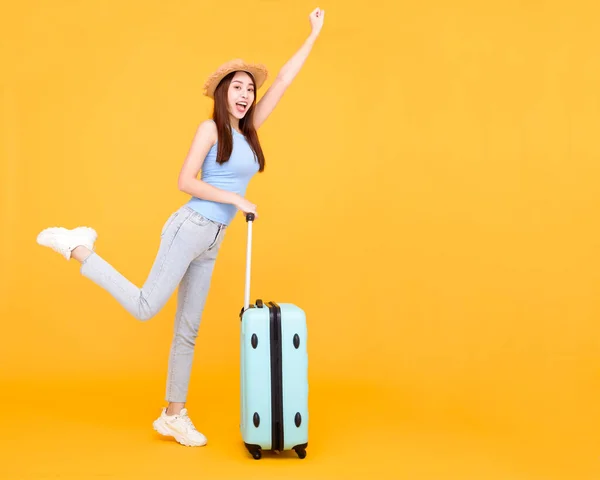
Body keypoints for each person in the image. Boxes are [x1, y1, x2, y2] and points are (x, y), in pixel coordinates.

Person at [36, 7, 325, 447]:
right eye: (238, 87)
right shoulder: (209, 129)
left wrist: (313, 34)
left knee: (188, 328)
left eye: (250, 88)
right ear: (223, 93)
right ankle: (79, 249)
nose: (245, 94)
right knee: (146, 306)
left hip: (213, 238)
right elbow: (184, 181)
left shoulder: (249, 133)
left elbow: (283, 80)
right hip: (189, 227)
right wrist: (235, 197)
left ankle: (174, 415)